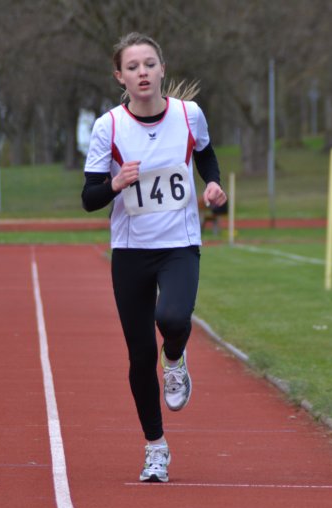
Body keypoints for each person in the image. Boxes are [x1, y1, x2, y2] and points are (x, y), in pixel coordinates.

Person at [82, 32, 227, 483]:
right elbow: (89, 197)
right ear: (119, 77)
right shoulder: (109, 127)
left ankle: (176, 358)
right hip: (131, 252)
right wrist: (115, 184)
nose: (142, 72)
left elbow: (205, 154)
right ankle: (155, 448)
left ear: (162, 69)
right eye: (132, 67)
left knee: (173, 318)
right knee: (141, 354)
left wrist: (213, 184)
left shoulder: (189, 115)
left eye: (149, 64)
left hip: (179, 244)